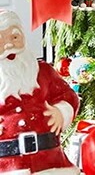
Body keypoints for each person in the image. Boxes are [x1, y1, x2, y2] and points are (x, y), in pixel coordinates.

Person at [0, 9, 79, 174]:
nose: (9, 45)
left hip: (50, 160)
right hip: (8, 164)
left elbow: (67, 95)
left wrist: (61, 111)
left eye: (15, 37)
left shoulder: (42, 71)